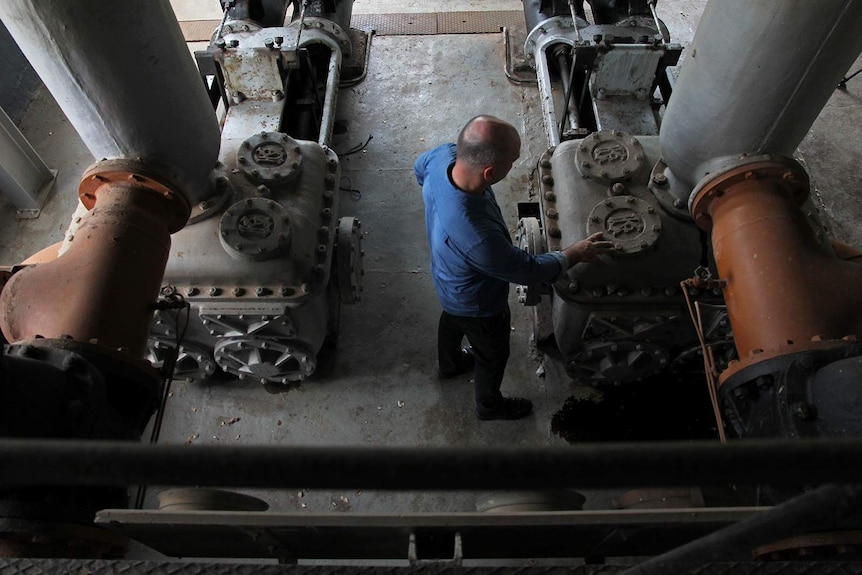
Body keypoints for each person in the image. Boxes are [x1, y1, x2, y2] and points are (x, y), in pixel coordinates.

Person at [415, 115, 613, 421]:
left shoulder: (441, 158)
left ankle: (450, 365)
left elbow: (419, 169)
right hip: (478, 303)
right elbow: (528, 270)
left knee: (452, 321)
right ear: (490, 172)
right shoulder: (477, 236)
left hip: (447, 279)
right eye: (513, 161)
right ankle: (489, 407)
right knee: (492, 355)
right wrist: (573, 253)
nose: (515, 165)